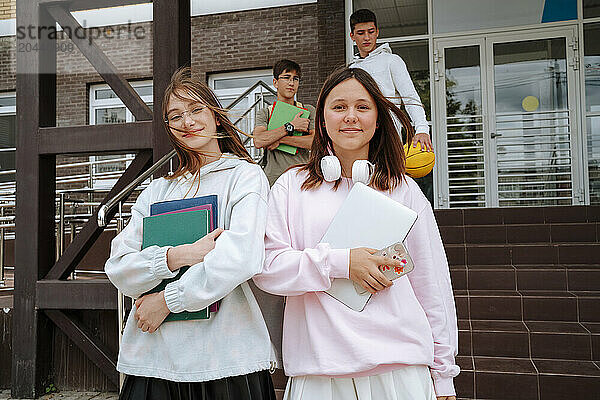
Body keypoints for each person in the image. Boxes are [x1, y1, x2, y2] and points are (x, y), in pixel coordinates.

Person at [253, 67, 458, 400]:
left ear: (378, 120)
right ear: (321, 120)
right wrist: (342, 263)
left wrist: (444, 372)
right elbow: (268, 268)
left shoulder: (404, 190)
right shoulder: (291, 187)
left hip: (400, 368)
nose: (351, 116)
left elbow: (432, 287)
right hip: (319, 372)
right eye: (339, 107)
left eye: (363, 107)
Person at [105, 67, 277, 400]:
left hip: (225, 358)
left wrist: (167, 301)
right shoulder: (157, 191)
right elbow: (119, 269)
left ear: (215, 114)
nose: (188, 121)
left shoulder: (244, 177)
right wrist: (177, 255)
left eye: (196, 109)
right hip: (155, 358)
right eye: (175, 116)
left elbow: (241, 258)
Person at [349, 8, 433, 152]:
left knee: (390, 175)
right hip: (359, 139)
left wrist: (422, 129)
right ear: (352, 36)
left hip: (388, 138)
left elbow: (410, 98)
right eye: (361, 33)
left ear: (377, 32)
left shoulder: (392, 61)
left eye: (371, 31)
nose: (367, 37)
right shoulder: (351, 68)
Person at [253, 59, 316, 186]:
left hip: (302, 176)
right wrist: (291, 126)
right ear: (275, 82)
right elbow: (259, 140)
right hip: (274, 180)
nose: (291, 83)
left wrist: (279, 140)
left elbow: (316, 143)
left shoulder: (308, 110)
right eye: (286, 77)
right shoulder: (265, 112)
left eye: (295, 79)